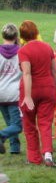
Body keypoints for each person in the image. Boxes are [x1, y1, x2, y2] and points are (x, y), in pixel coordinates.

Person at [18, 21, 56, 167]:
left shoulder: (23, 51)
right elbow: (54, 70)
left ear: (21, 35)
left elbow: (27, 73)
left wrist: (27, 96)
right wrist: (55, 89)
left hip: (31, 90)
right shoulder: (47, 47)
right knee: (45, 123)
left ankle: (34, 157)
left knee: (29, 125)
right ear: (36, 32)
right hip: (48, 88)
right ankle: (48, 153)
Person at [0, 23, 22, 155]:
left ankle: (14, 148)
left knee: (10, 122)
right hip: (14, 93)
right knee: (18, 125)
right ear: (16, 36)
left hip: (1, 92)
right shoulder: (21, 51)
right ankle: (1, 135)